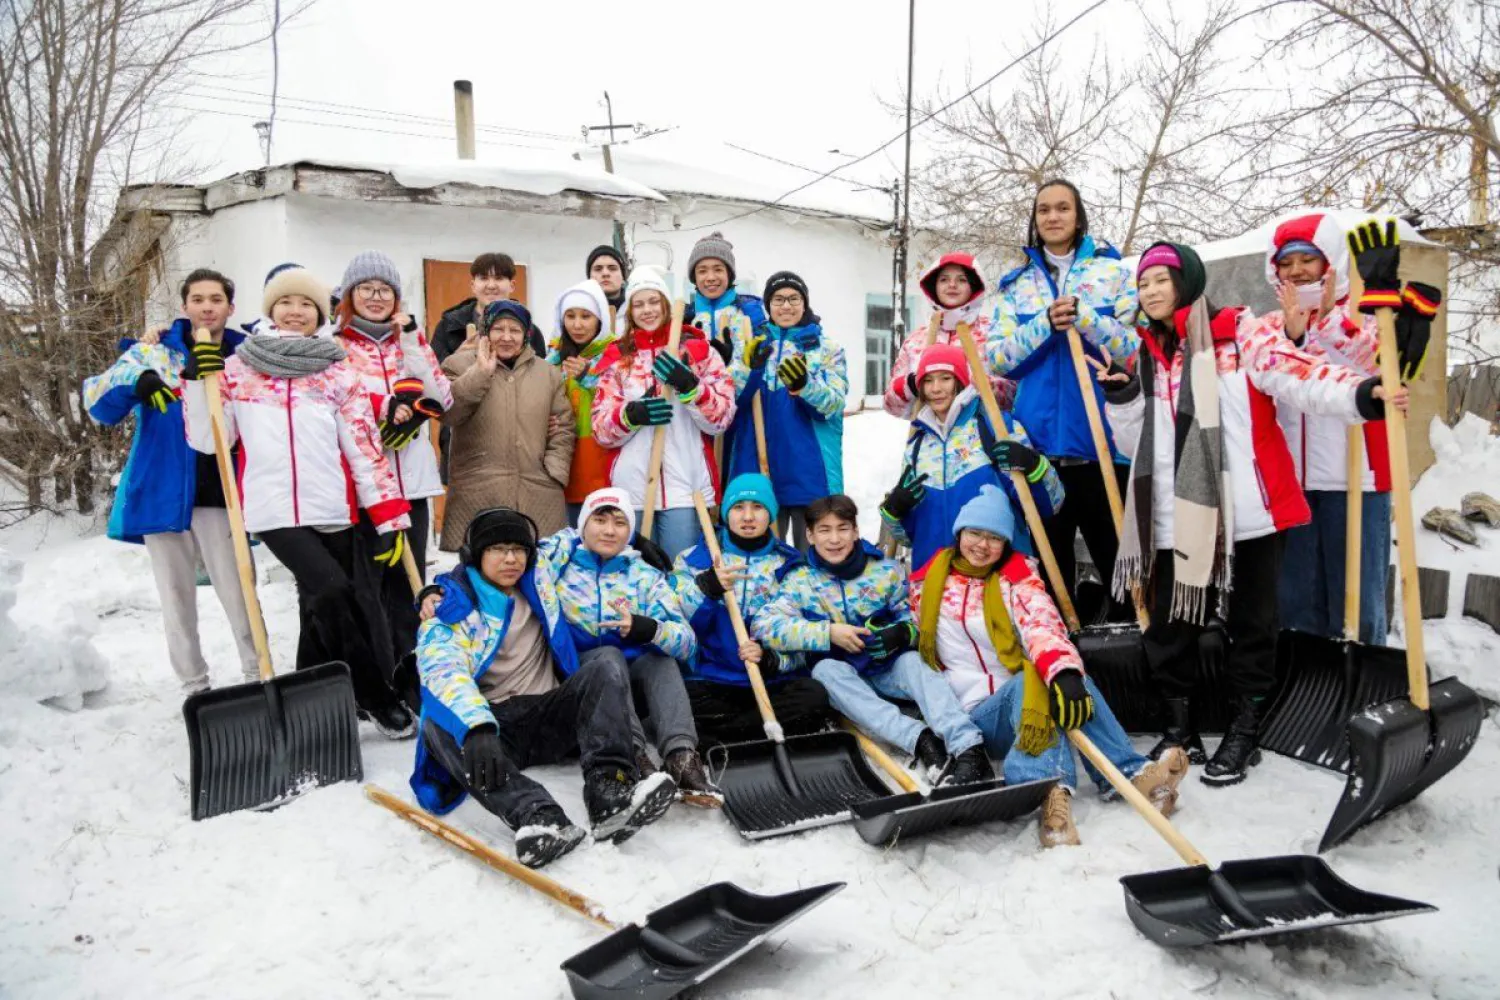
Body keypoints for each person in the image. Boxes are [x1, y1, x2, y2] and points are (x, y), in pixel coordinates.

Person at [1099, 240, 1408, 785]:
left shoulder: (1242, 334)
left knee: (1252, 626)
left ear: (1189, 282)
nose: (1149, 291)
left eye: (1161, 280)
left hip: (1248, 512)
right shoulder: (1148, 355)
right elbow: (1138, 444)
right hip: (1176, 515)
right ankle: (1180, 723)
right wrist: (1123, 397)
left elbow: (1298, 373)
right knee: (1172, 626)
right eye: (1143, 283)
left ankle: (1245, 727)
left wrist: (1362, 393)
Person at [179, 266, 415, 737]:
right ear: (270, 309)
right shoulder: (238, 369)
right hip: (273, 509)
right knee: (331, 589)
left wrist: (389, 515)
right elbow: (210, 442)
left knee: (316, 606)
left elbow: (365, 452)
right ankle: (373, 694)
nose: (295, 311)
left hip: (330, 506)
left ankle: (306, 699)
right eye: (286, 302)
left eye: (306, 305)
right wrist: (193, 383)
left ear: (319, 314)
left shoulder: (336, 373)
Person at [912, 485, 1190, 847]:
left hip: (1022, 704)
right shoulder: (925, 584)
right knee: (1034, 681)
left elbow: (1041, 625)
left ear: (1006, 543)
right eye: (975, 533)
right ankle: (1055, 783)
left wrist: (1066, 674)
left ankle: (1102, 784)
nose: (982, 545)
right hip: (973, 719)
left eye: (994, 537)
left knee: (1056, 676)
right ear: (959, 533)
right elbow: (903, 630)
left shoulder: (1017, 581)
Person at [411, 507, 677, 868]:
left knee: (604, 662)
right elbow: (442, 669)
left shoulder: (539, 581)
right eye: (498, 549)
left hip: (548, 713)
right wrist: (476, 728)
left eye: (519, 550)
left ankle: (609, 793)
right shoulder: (454, 608)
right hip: (495, 732)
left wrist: (636, 539)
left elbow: (574, 533)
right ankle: (540, 816)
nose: (511, 559)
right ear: (476, 555)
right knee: (437, 725)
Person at [1260, 214, 1438, 645]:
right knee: (1296, 602)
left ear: (1330, 263)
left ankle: (1361, 688)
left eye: (1309, 259)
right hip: (1294, 483)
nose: (1298, 270)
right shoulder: (1271, 326)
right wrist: (1293, 331)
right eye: (1288, 263)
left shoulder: (1364, 314)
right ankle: (1305, 691)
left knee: (1355, 601)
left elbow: (1376, 361)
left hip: (1357, 480)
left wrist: (1322, 319)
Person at [82, 269, 259, 695]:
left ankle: (257, 673)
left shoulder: (246, 356)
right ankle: (194, 685)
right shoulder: (157, 352)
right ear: (185, 306)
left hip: (222, 492)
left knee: (240, 591)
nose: (207, 306)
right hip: (163, 490)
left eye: (216, 299)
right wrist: (135, 382)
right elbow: (97, 401)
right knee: (177, 597)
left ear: (230, 308)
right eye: (197, 299)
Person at [753, 494, 991, 784]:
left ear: (855, 530)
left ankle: (969, 749)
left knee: (914, 663)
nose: (834, 539)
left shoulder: (884, 571)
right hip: (845, 678)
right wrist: (827, 633)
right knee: (825, 672)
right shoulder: (797, 580)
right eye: (824, 530)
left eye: (842, 528)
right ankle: (920, 740)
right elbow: (765, 625)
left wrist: (904, 632)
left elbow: (915, 615)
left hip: (886, 667)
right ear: (810, 535)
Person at [986, 180, 1140, 621]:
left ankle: (1129, 660)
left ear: (1078, 216)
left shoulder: (1112, 276)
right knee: (1051, 577)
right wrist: (1042, 324)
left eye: (1062, 208)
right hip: (1040, 456)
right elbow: (997, 358)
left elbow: (1135, 350)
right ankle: (1062, 660)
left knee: (1123, 572)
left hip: (1103, 449)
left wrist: (1088, 320)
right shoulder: (1016, 286)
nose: (1052, 217)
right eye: (1043, 210)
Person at [535, 488, 715, 798]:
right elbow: (514, 555)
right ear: (582, 525)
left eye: (620, 523)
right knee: (608, 655)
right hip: (579, 683)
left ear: (629, 531)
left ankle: (681, 757)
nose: (609, 530)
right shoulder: (558, 566)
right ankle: (632, 752)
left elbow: (687, 643)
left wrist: (649, 630)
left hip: (630, 685)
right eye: (599, 519)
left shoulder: (643, 575)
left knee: (661, 660)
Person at [332, 250, 452, 674]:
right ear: (350, 294)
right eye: (366, 288)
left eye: (385, 290)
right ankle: (377, 676)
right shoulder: (335, 347)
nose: (376, 297)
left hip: (413, 482)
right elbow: (334, 404)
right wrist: (384, 409)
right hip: (367, 488)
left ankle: (410, 668)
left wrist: (413, 347)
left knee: (411, 580)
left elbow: (442, 397)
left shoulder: (411, 342)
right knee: (370, 585)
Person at [670, 474, 832, 744]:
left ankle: (721, 738)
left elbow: (805, 642)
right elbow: (677, 625)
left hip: (771, 682)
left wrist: (771, 659)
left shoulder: (791, 565)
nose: (747, 516)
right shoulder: (693, 559)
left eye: (757, 507)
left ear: (770, 513)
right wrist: (705, 588)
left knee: (813, 697)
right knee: (675, 702)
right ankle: (754, 733)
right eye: (738, 507)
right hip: (711, 679)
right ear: (725, 513)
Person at [591, 265, 735, 558]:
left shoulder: (700, 352)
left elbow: (721, 420)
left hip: (685, 486)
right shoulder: (617, 359)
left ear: (667, 305)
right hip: (632, 491)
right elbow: (601, 430)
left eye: (654, 301)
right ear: (629, 311)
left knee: (681, 572)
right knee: (636, 578)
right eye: (639, 304)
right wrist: (630, 415)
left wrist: (692, 388)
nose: (647, 310)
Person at [881, 343, 1062, 572]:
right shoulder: (917, 446)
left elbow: (1050, 505)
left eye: (945, 378)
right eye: (928, 380)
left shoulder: (997, 428)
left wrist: (1035, 467)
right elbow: (910, 537)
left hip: (996, 578)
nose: (936, 388)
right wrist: (894, 512)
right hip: (938, 582)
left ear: (960, 381)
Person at [724, 271, 847, 548]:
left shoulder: (826, 349)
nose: (786, 306)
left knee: (813, 556)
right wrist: (751, 368)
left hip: (809, 470)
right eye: (778, 299)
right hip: (760, 466)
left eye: (794, 298)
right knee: (764, 555)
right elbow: (732, 399)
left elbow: (834, 404)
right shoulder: (753, 343)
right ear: (768, 306)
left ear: (805, 303)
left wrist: (805, 386)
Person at [440, 300, 574, 548]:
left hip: (537, 490)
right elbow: (450, 413)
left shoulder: (548, 374)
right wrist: (480, 372)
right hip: (478, 491)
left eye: (515, 330)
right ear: (486, 331)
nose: (506, 337)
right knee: (481, 571)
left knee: (537, 572)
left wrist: (554, 472)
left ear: (526, 335)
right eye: (498, 329)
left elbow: (563, 426)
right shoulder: (457, 365)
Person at [884, 252, 1013, 418]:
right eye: (944, 279)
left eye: (961, 280)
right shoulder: (916, 340)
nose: (952, 285)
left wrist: (989, 387)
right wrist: (910, 385)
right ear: (934, 286)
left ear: (974, 286)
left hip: (981, 436)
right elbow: (890, 405)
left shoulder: (993, 332)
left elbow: (1016, 393)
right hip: (930, 437)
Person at [548, 279, 619, 526]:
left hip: (599, 455)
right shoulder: (553, 357)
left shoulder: (614, 354)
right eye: (570, 316)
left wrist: (588, 377)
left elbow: (618, 398)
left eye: (586, 316)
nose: (577, 324)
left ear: (599, 319)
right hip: (562, 452)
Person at [430, 252, 545, 361]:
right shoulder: (448, 327)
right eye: (484, 278)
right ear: (473, 286)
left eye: (499, 278)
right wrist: (457, 358)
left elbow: (539, 376)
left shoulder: (530, 331)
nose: (491, 286)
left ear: (512, 286)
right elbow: (433, 375)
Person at [684, 231, 765, 366]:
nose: (710, 277)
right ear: (694, 278)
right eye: (702, 271)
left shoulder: (752, 312)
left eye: (718, 269)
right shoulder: (685, 318)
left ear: (729, 274)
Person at [586, 244, 629, 319]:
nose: (605, 273)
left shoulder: (637, 312)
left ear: (623, 277)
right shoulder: (576, 313)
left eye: (612, 268)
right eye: (598, 269)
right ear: (589, 278)